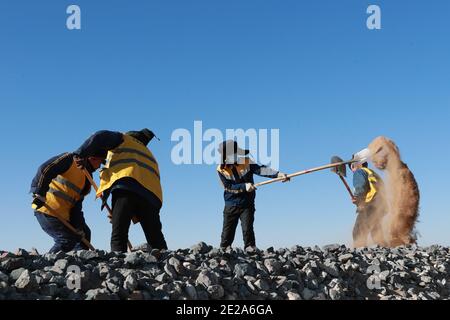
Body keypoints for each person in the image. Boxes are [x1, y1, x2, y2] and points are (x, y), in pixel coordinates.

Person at [75, 129, 167, 252]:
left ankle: (118, 265)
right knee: (155, 237)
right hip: (152, 197)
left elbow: (100, 135)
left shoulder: (124, 139)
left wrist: (80, 154)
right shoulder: (149, 154)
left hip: (126, 187)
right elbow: (141, 191)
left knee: (119, 233)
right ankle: (168, 263)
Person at [217, 140, 289, 251]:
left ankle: (250, 248)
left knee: (247, 227)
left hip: (247, 202)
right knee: (228, 230)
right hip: (231, 204)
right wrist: (244, 187)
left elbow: (261, 170)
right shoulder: (221, 170)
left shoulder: (246, 162)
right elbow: (228, 186)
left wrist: (278, 174)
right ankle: (224, 249)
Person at [30, 153, 104, 253]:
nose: (99, 166)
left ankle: (80, 262)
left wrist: (78, 226)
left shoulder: (87, 178)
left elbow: (76, 205)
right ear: (92, 158)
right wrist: (39, 193)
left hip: (64, 215)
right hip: (48, 209)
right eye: (100, 161)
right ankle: (46, 265)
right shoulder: (70, 159)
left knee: (84, 235)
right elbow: (45, 169)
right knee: (66, 240)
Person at [350, 161, 387, 247]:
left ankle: (359, 253)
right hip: (380, 205)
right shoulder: (372, 173)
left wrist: (357, 198)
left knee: (359, 230)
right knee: (376, 230)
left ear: (356, 164)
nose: (352, 171)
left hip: (370, 204)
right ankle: (383, 250)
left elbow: (360, 188)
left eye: (351, 167)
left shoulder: (359, 172)